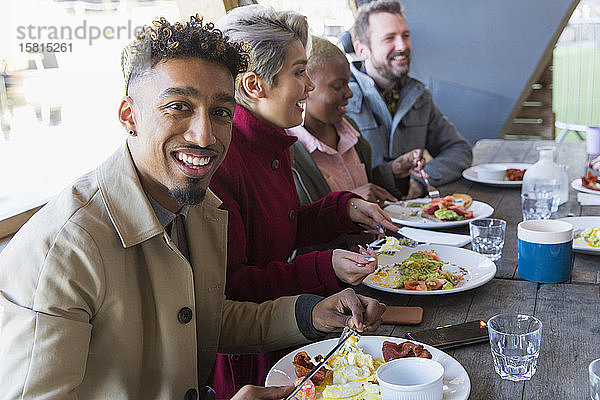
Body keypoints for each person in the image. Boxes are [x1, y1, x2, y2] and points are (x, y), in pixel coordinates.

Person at [0, 16, 386, 399]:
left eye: (220, 112)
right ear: (128, 116)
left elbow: (207, 318)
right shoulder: (63, 251)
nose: (204, 136)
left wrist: (311, 314)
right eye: (178, 107)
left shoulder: (198, 208)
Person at [208, 6, 396, 399]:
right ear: (254, 85)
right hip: (250, 365)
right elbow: (236, 286)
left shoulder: (274, 141)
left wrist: (342, 208)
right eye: (299, 72)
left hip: (291, 338)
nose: (309, 86)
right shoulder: (224, 160)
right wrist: (324, 265)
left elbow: (283, 224)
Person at [347, 0, 473, 199]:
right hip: (361, 224)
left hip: (414, 219)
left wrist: (423, 180)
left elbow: (459, 150)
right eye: (389, 38)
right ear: (362, 50)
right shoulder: (340, 100)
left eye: (405, 36)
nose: (402, 45)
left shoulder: (420, 96)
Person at [289, 35, 407, 206]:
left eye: (348, 83)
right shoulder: (291, 152)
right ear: (306, 87)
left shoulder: (349, 130)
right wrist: (346, 203)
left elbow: (364, 186)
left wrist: (392, 172)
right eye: (338, 86)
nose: (349, 93)